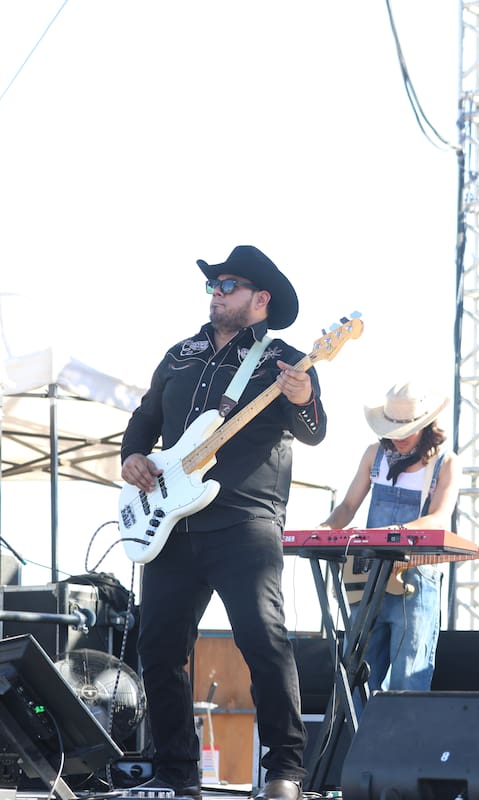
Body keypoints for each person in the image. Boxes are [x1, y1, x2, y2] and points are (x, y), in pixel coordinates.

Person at [121, 245, 324, 800]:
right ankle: (175, 773)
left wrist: (303, 396)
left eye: (229, 284)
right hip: (170, 522)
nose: (217, 290)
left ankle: (285, 770)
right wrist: (132, 456)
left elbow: (312, 430)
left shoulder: (286, 359)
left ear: (261, 299)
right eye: (213, 283)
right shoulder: (180, 353)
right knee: (159, 648)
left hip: (243, 521)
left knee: (262, 641)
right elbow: (145, 419)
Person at [319, 381, 461, 693]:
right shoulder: (374, 455)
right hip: (369, 579)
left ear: (424, 425)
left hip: (415, 580)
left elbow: (438, 519)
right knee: (355, 679)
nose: (398, 439)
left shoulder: (445, 462)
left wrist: (392, 534)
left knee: (407, 681)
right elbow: (346, 507)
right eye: (392, 430)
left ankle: (403, 743)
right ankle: (357, 742)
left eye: (406, 430)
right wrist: (325, 530)